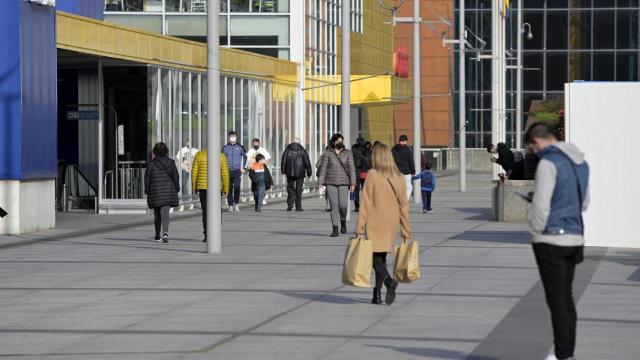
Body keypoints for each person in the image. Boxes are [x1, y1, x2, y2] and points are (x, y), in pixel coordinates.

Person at [526, 122, 590, 360]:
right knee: (566, 296)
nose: (535, 153)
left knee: (556, 300)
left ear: (536, 141)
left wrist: (535, 231)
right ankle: (567, 352)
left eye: (532, 149)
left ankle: (562, 354)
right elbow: (584, 202)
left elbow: (542, 206)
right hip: (575, 236)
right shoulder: (581, 163)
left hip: (550, 239)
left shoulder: (547, 163)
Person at [355, 143, 411, 305]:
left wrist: (359, 227)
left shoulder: (372, 174)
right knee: (381, 256)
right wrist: (406, 229)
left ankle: (388, 281)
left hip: (375, 220)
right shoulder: (399, 176)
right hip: (391, 222)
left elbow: (366, 202)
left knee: (374, 258)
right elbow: (404, 204)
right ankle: (377, 295)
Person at [318, 134, 356, 237]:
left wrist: (353, 183)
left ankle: (343, 221)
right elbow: (323, 168)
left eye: (341, 141)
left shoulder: (348, 153)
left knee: (343, 205)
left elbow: (352, 168)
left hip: (344, 182)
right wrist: (321, 183)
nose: (340, 143)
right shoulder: (327, 153)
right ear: (334, 142)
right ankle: (335, 228)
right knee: (334, 206)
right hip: (331, 182)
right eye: (338, 141)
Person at [191, 149, 230, 242]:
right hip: (216, 187)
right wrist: (226, 188)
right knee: (217, 211)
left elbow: (194, 172)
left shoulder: (199, 155)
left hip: (203, 187)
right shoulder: (221, 156)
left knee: (205, 211)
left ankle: (207, 234)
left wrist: (194, 187)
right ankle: (216, 234)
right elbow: (225, 173)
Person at [144, 143, 180, 243]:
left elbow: (147, 179)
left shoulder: (151, 164)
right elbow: (176, 177)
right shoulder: (171, 163)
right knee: (165, 214)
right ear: (166, 151)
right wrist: (177, 188)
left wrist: (147, 190)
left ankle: (157, 234)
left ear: (155, 152)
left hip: (155, 192)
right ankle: (165, 233)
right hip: (168, 192)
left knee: (157, 214)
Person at [281, 138, 312, 211]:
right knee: (299, 189)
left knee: (290, 188)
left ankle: (290, 205)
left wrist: (283, 171)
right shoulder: (302, 150)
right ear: (300, 143)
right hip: (300, 172)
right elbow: (307, 162)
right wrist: (309, 172)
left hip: (290, 172)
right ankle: (298, 207)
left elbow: (284, 161)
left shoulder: (287, 150)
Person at [222, 131, 247, 213]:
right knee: (228, 188)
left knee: (236, 187)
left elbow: (245, 157)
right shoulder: (225, 147)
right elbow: (221, 159)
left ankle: (236, 204)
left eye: (233, 136)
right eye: (231, 136)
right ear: (229, 137)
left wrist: (243, 167)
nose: (232, 138)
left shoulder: (240, 147)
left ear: (236, 137)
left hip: (237, 170)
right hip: (227, 170)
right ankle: (230, 205)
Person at [391, 134, 415, 200]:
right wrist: (413, 171)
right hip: (406, 172)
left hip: (396, 172)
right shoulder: (407, 149)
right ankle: (405, 200)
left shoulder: (393, 149)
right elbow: (411, 161)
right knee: (409, 187)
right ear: (405, 141)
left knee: (398, 187)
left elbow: (390, 160)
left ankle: (397, 200)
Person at [316, 147, 331, 212]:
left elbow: (317, 165)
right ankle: (331, 205)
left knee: (328, 191)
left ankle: (327, 205)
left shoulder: (323, 156)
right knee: (331, 191)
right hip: (331, 176)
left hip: (325, 176)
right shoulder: (336, 157)